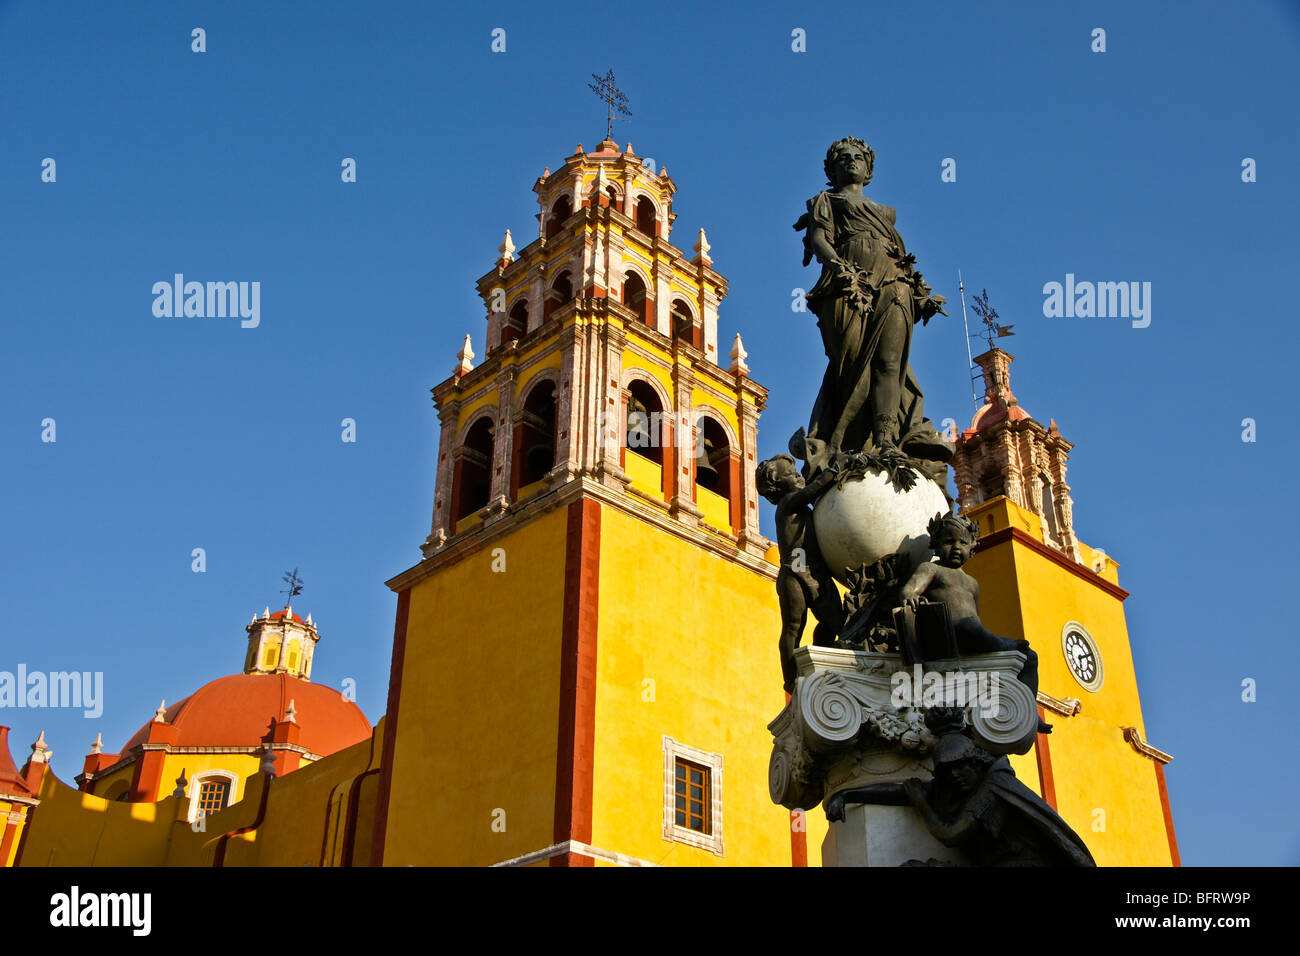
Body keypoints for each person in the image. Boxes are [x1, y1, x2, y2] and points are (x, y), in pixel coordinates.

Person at [794, 137, 949, 461]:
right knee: (848, 366)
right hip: (847, 286)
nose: (851, 161)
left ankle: (887, 440)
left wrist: (920, 293)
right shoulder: (825, 200)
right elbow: (821, 239)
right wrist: (841, 270)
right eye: (843, 159)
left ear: (869, 171)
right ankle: (842, 443)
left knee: (891, 363)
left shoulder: (885, 214)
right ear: (831, 171)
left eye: (858, 158)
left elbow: (901, 257)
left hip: (894, 282)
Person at [899, 513, 1050, 734]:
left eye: (963, 542)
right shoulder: (931, 569)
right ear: (936, 546)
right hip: (947, 634)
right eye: (949, 542)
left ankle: (1029, 711)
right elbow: (908, 590)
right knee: (971, 627)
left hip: (972, 636)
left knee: (1030, 657)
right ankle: (1003, 645)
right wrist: (911, 598)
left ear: (972, 547)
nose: (956, 547)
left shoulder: (972, 583)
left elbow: (977, 618)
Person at [756, 454, 844, 693]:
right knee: (794, 626)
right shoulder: (788, 504)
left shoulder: (800, 506)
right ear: (777, 485)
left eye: (797, 473)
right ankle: (791, 679)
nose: (799, 477)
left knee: (836, 622)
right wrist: (834, 471)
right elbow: (812, 490)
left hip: (815, 573)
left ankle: (821, 658)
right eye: (792, 475)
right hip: (794, 573)